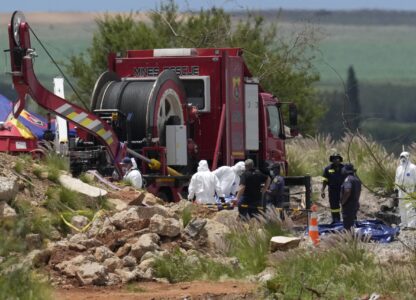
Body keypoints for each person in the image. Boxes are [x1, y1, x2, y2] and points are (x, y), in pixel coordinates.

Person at [321, 153, 345, 223]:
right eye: (334, 158)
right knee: (334, 207)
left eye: (337, 158)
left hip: (343, 190)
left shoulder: (344, 168)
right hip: (333, 191)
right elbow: (325, 181)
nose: (336, 160)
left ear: (340, 159)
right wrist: (322, 190)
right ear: (332, 160)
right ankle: (336, 220)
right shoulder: (328, 169)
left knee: (346, 205)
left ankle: (347, 220)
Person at [394, 151, 416, 229]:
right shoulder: (399, 168)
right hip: (401, 190)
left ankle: (412, 225)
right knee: (402, 206)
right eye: (401, 157)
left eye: (404, 157)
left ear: (408, 157)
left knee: (410, 207)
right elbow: (396, 178)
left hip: (410, 190)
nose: (403, 159)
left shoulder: (413, 167)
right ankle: (404, 223)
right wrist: (396, 188)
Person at [340, 163, 361, 230]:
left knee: (348, 226)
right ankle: (352, 237)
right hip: (355, 204)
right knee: (352, 223)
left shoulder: (348, 179)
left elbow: (347, 191)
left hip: (349, 205)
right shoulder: (356, 179)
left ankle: (348, 239)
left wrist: (343, 202)